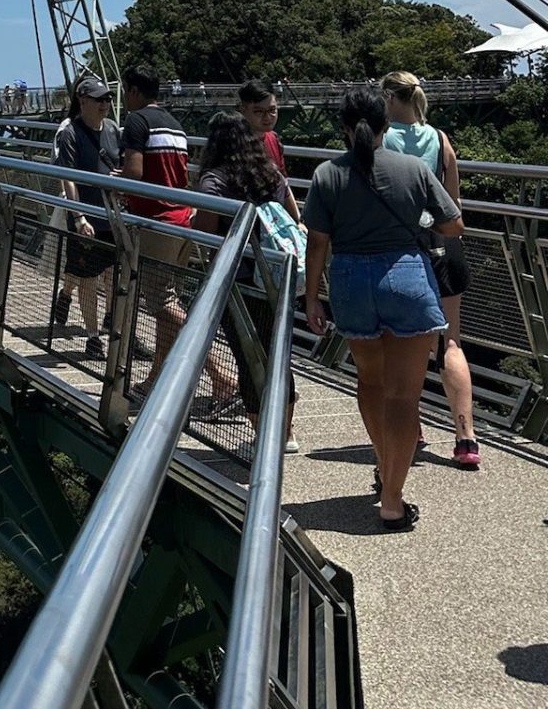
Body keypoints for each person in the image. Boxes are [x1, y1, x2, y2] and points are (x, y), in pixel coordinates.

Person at [303, 89, 463, 530]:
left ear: (342, 129)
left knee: (370, 383)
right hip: (406, 277)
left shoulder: (326, 175)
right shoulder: (412, 168)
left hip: (352, 282)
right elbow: (453, 224)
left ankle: (383, 461)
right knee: (404, 396)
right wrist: (421, 220)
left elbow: (317, 242)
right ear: (384, 128)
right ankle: (392, 497)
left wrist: (312, 297)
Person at [381, 71, 480, 469]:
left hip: (403, 248)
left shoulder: (382, 139)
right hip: (445, 243)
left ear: (389, 98)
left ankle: (413, 425)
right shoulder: (440, 139)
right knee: (451, 343)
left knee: (404, 345)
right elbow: (454, 203)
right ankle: (466, 439)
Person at [192, 111, 303, 448]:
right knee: (278, 353)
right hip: (279, 278)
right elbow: (295, 218)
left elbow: (206, 234)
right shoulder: (270, 174)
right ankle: (286, 433)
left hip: (240, 281)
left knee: (248, 357)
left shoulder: (215, 181)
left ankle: (262, 437)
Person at [118, 66, 194, 390]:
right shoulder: (175, 126)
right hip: (184, 220)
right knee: (169, 302)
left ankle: (221, 375)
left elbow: (134, 173)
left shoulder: (136, 121)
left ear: (133, 91)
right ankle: (155, 379)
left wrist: (115, 179)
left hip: (157, 223)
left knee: (161, 302)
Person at [50, 75, 120, 360]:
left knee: (113, 277)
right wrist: (78, 217)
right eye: (99, 99)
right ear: (82, 101)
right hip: (86, 215)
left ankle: (110, 322)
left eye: (108, 99)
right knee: (88, 278)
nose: (105, 104)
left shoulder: (114, 130)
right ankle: (93, 338)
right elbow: (68, 176)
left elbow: (122, 161)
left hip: (112, 216)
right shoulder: (69, 132)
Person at [237, 79, 287, 171]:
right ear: (243, 110)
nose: (267, 117)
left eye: (272, 110)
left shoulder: (274, 138)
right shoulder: (234, 144)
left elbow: (282, 180)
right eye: (259, 111)